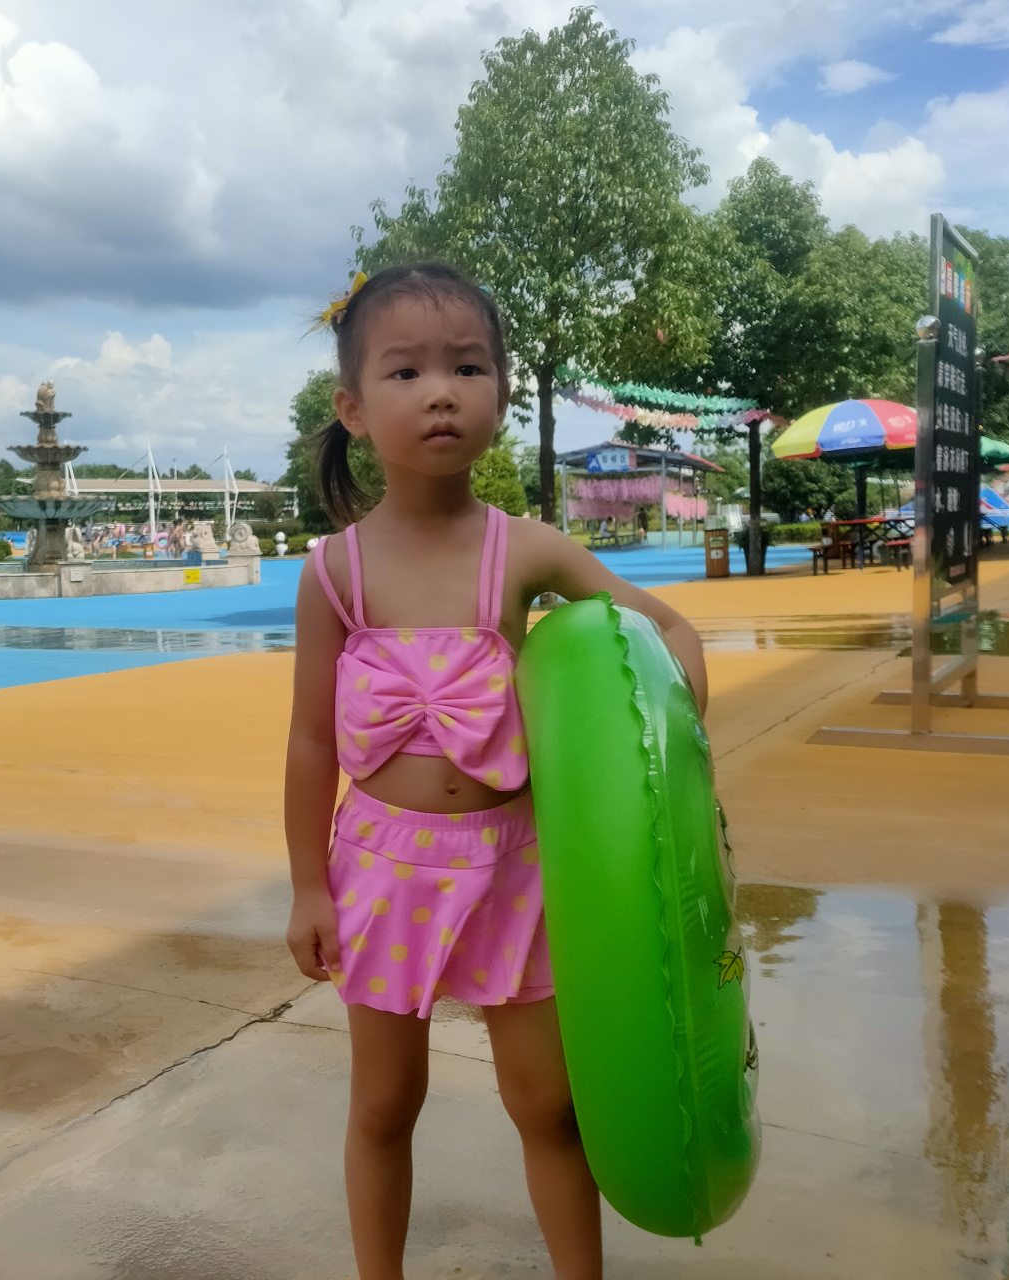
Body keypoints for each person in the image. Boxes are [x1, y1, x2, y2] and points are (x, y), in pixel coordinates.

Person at [285, 263, 708, 1279]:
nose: (440, 390)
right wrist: (307, 882)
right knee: (384, 1104)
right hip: (381, 868)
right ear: (351, 406)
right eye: (405, 370)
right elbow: (308, 740)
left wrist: (673, 742)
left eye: (466, 366)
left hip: (515, 866)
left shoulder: (524, 552)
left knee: (546, 1103)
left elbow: (666, 627)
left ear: (501, 393)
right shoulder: (334, 570)